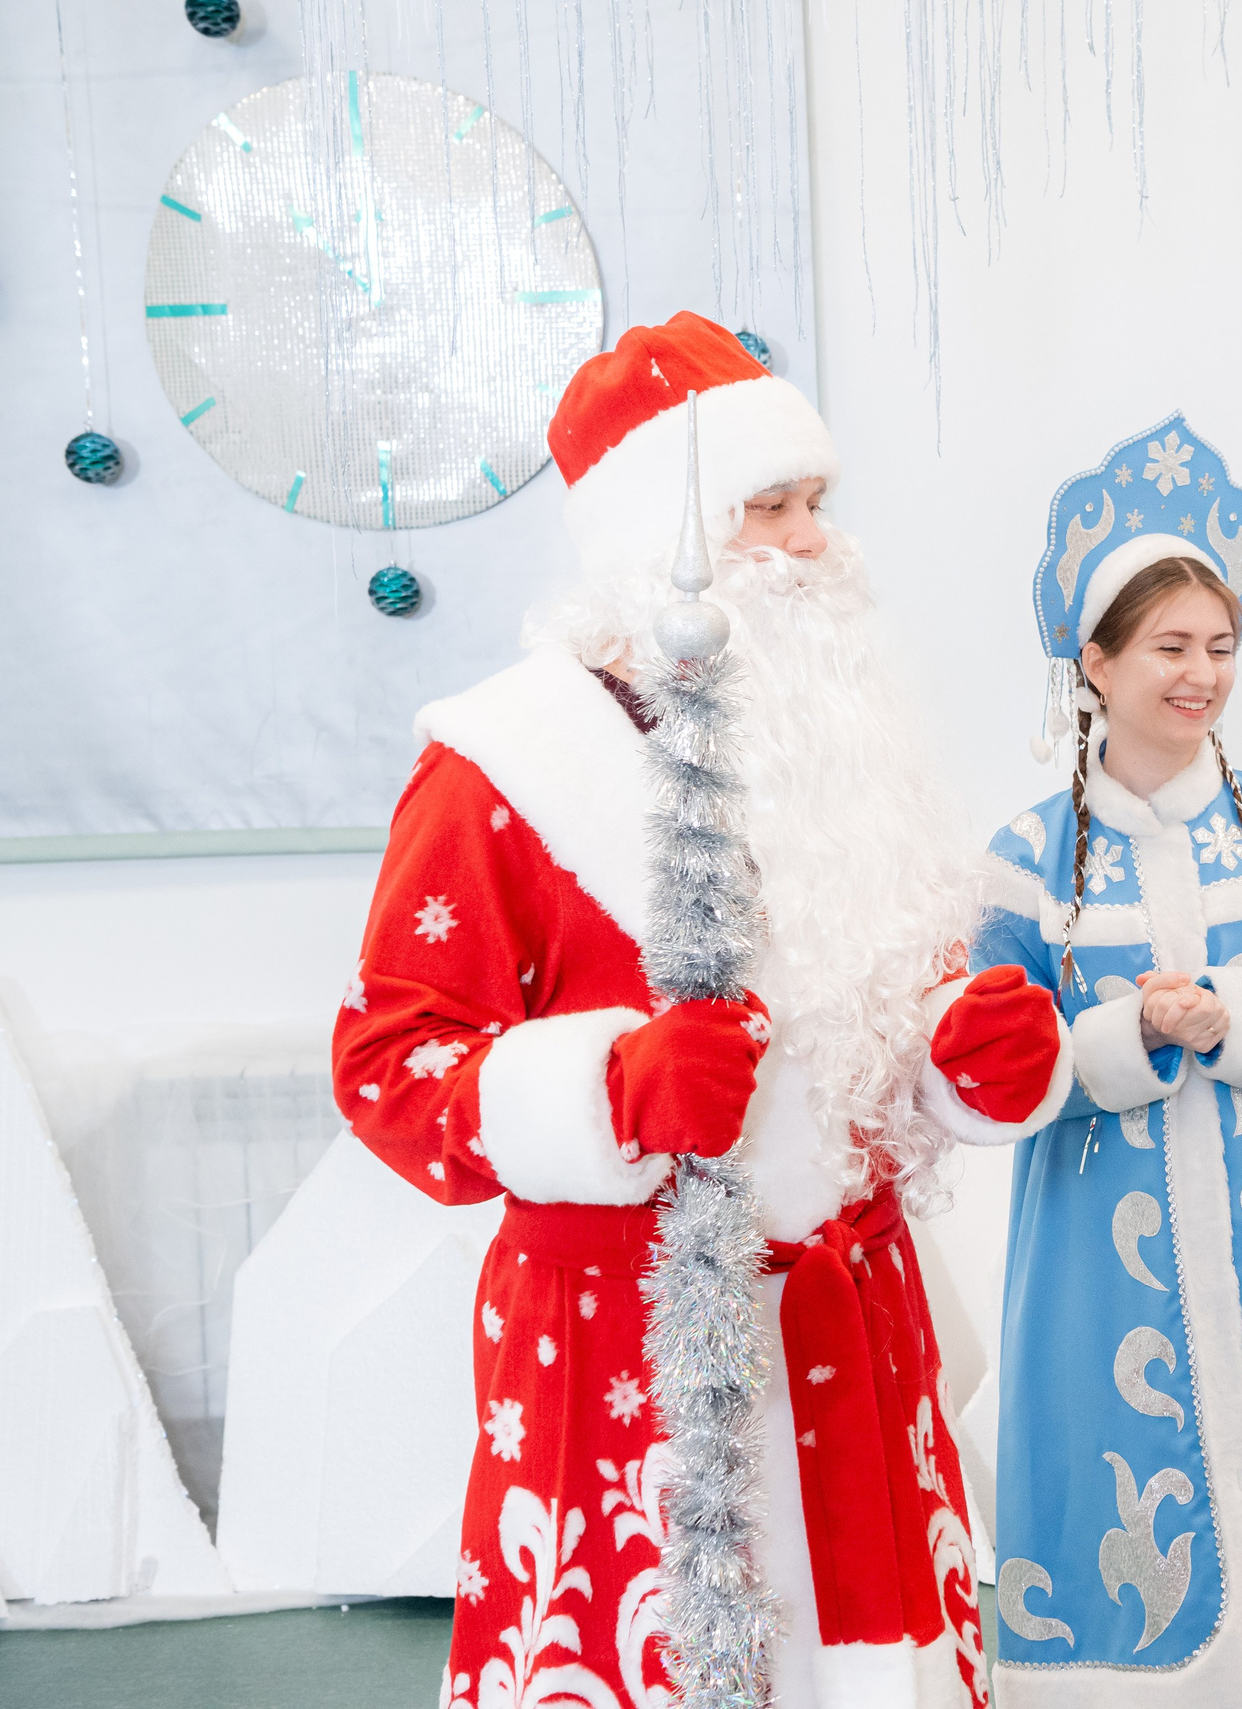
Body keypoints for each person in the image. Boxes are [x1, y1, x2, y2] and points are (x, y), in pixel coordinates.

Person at [332, 312, 1068, 1709]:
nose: (813, 546)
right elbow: (387, 1068)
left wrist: (959, 1056)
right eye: (767, 510)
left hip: (853, 1322)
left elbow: (866, 1035)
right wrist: (610, 1089)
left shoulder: (829, 750)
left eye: (816, 505)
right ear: (654, 545)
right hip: (627, 1347)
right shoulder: (506, 765)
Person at [967, 418, 1242, 1709]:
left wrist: (1236, 1015)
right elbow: (987, 1071)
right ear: (1096, 661)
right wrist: (1121, 1039)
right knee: (1119, 1466)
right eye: (1170, 647)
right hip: (1092, 1253)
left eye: (1220, 648)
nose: (1202, 674)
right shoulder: (1023, 856)